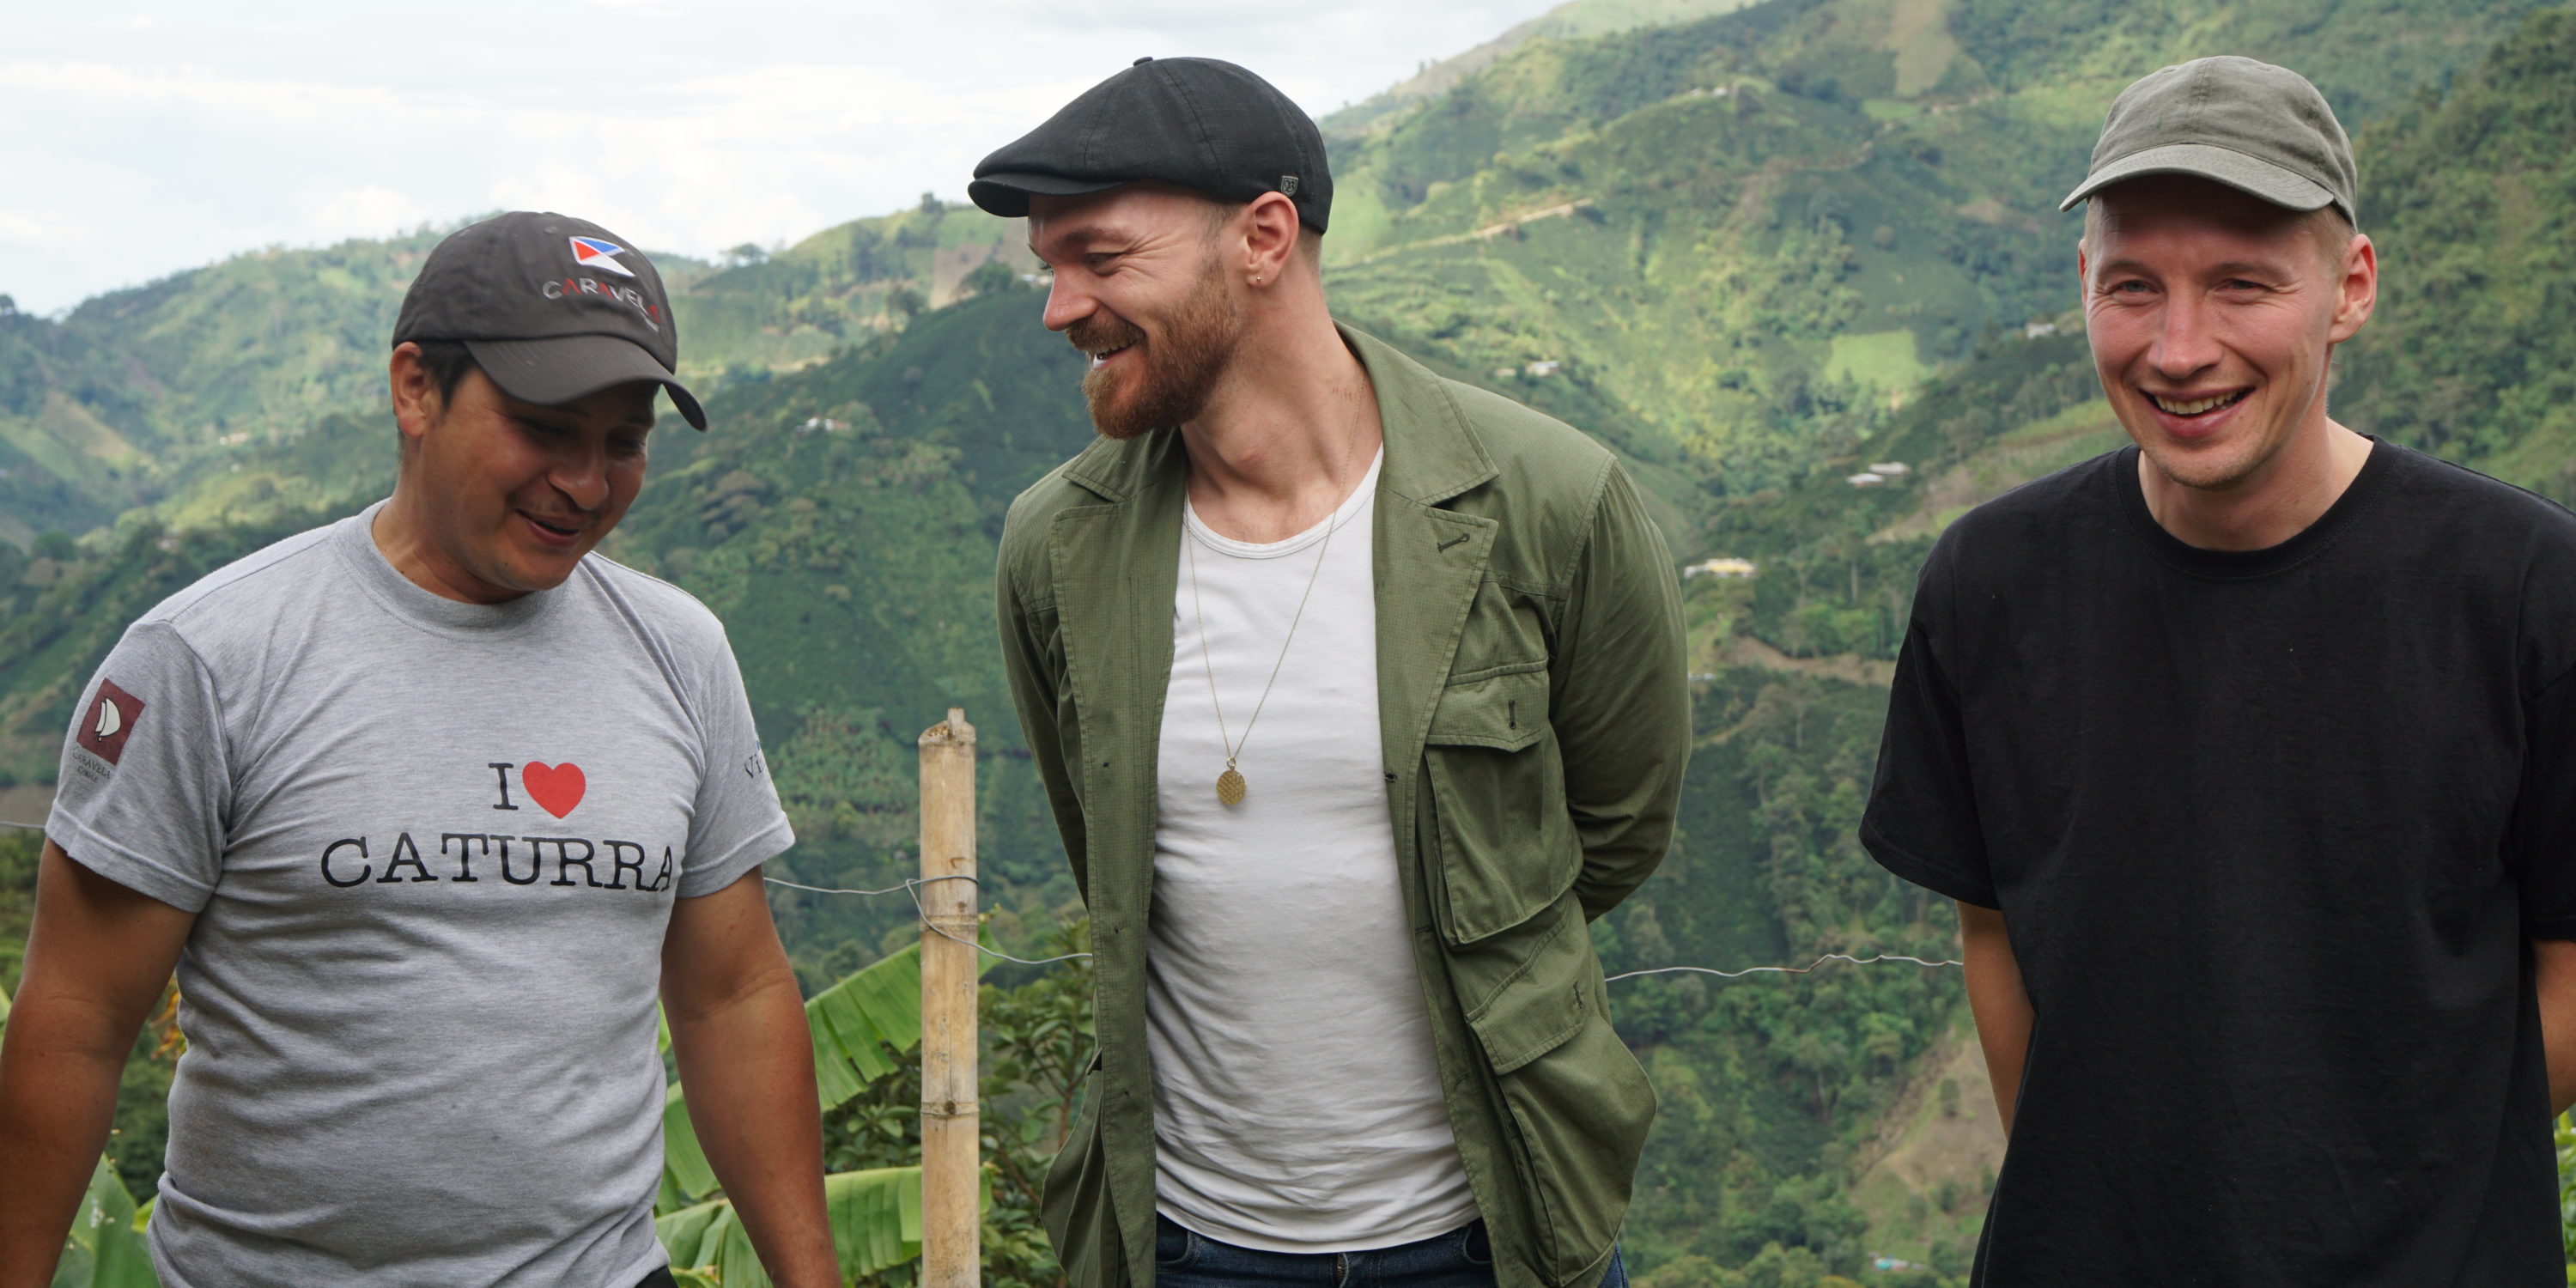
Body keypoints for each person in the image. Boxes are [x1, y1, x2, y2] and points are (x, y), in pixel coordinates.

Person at [0, 212, 841, 1288]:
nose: (587, 483)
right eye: (544, 428)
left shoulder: (680, 652)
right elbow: (75, 1022)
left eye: (623, 442)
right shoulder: (208, 658)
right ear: (415, 389)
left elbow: (734, 997)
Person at [976, 56, 1689, 1288]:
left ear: (1262, 236)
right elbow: (1099, 836)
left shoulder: (1549, 505)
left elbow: (1613, 833)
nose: (1061, 308)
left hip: (1495, 1236)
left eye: (1099, 257)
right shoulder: (1058, 546)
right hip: (1188, 1247)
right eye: (1050, 267)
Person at [1862, 56, 2576, 1285]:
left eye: (2243, 285)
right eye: (2135, 286)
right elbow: (1994, 929)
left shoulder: (2519, 587)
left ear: (2350, 288)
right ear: (2083, 284)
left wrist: (2414, 1168)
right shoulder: (1991, 584)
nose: (2181, 349)